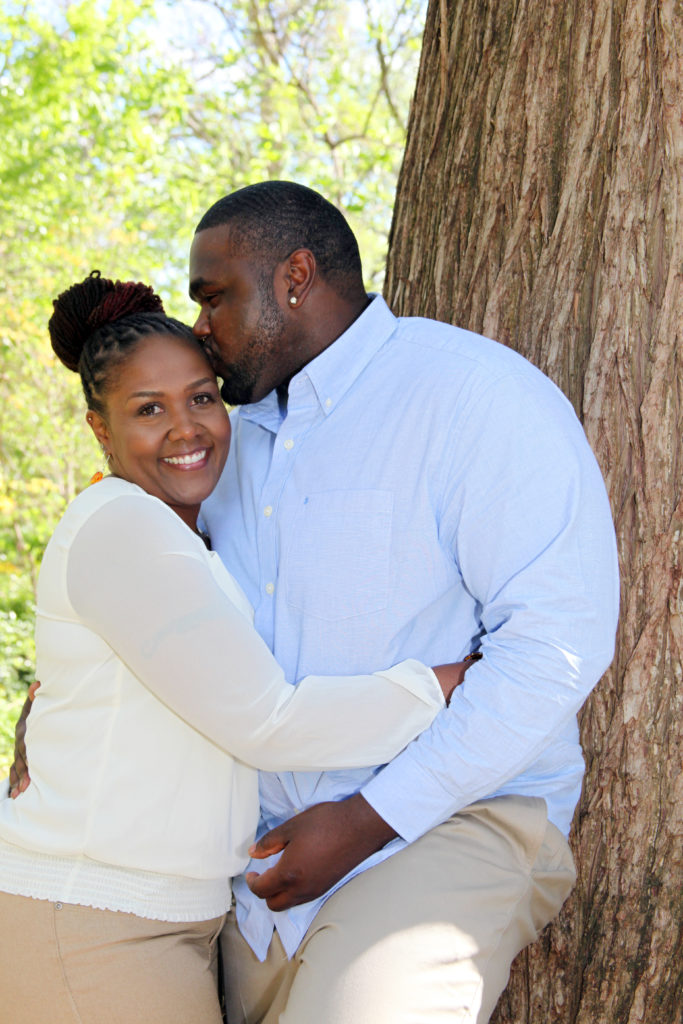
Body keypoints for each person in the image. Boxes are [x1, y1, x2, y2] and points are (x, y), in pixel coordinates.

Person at [186, 181, 620, 1023]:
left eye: (214, 296)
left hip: (451, 822)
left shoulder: (471, 397)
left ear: (296, 277)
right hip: (258, 871)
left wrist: (366, 818)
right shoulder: (224, 446)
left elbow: (556, 644)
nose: (201, 326)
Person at [0, 271, 468, 1024]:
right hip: (89, 916)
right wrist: (445, 683)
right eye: (148, 410)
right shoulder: (125, 527)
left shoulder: (182, 531)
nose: (186, 428)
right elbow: (266, 722)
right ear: (99, 429)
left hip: (160, 917)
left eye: (202, 397)